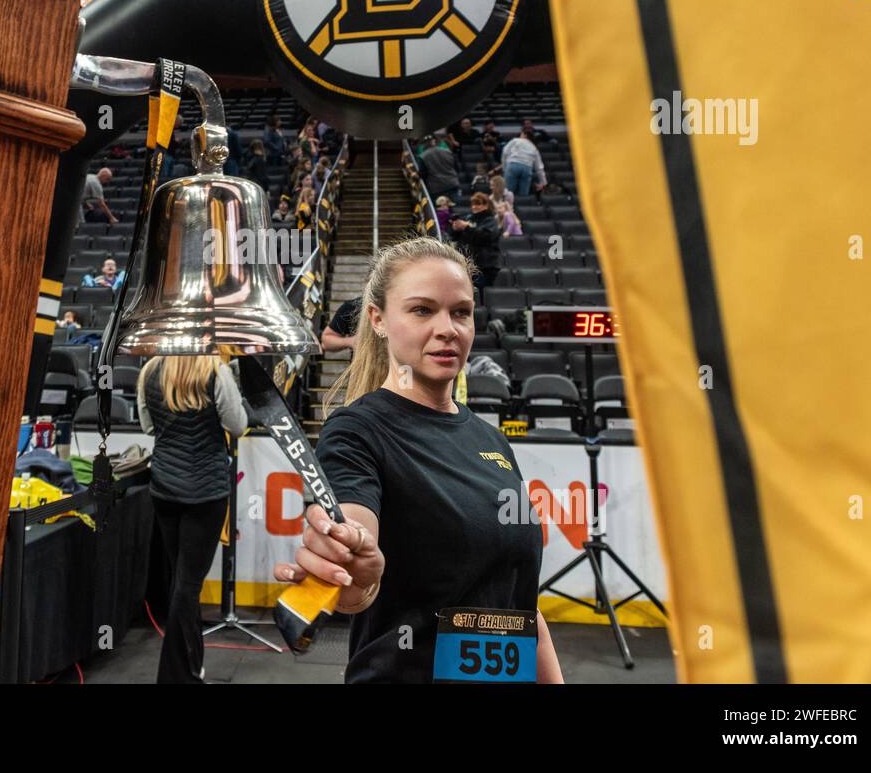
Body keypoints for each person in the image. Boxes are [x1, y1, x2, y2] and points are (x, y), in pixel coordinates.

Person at [272, 237, 562, 684]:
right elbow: (355, 557)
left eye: (461, 312)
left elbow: (521, 606)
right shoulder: (356, 431)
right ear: (378, 319)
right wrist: (352, 568)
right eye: (422, 310)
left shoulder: (492, 441)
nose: (448, 328)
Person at [136, 353, 248, 683]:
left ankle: (193, 665)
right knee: (188, 585)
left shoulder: (149, 370)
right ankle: (175, 676)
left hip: (165, 488)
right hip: (206, 493)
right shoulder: (216, 370)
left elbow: (147, 426)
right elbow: (237, 425)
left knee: (182, 583)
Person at [449, 192, 503, 297]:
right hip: (467, 264)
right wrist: (455, 229)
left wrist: (466, 228)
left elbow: (486, 237)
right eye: (473, 204)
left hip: (484, 266)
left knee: (479, 296)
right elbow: (455, 238)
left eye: (478, 204)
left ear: (486, 205)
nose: (474, 207)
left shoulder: (490, 220)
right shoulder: (469, 218)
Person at [501, 130, 546, 201]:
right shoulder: (534, 147)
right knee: (524, 196)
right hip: (527, 168)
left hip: (513, 165)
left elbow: (505, 151)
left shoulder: (516, 140)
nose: (519, 135)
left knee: (508, 193)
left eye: (521, 134)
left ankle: (508, 210)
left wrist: (504, 168)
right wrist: (543, 182)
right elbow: (539, 167)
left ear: (525, 135)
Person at [420, 135, 460, 201]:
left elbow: (423, 174)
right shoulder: (448, 152)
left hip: (437, 188)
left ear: (424, 144)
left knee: (441, 210)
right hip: (452, 184)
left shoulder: (423, 156)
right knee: (455, 209)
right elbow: (457, 169)